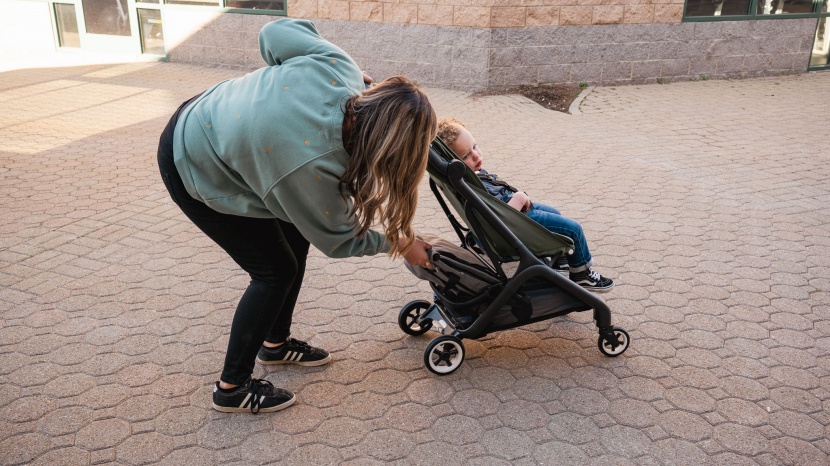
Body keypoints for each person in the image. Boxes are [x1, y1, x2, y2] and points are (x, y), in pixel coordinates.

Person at [157, 18, 436, 414]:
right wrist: (400, 242)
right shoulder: (312, 166)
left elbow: (273, 34)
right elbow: (340, 240)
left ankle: (275, 344)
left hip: (214, 114)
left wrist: (296, 76)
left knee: (295, 235)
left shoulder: (339, 68)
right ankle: (232, 387)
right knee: (274, 272)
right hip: (193, 160)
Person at [436, 117, 613, 292]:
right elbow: (498, 220)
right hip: (515, 224)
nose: (476, 155)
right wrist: (519, 198)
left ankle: (559, 261)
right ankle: (582, 275)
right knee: (573, 229)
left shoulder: (467, 178)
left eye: (474, 146)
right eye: (466, 155)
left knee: (555, 214)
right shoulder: (471, 187)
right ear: (454, 163)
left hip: (517, 217)